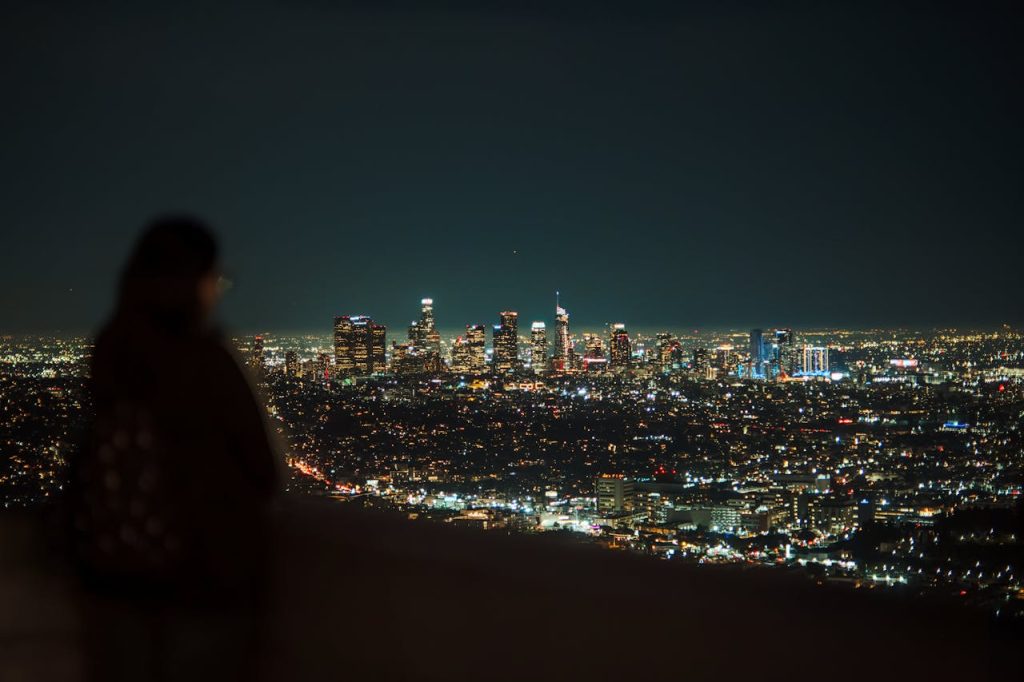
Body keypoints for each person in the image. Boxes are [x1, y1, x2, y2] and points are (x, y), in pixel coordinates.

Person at [67, 215, 279, 681]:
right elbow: (262, 470)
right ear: (195, 284)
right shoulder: (205, 360)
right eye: (213, 279)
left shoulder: (111, 352)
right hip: (203, 577)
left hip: (116, 574)